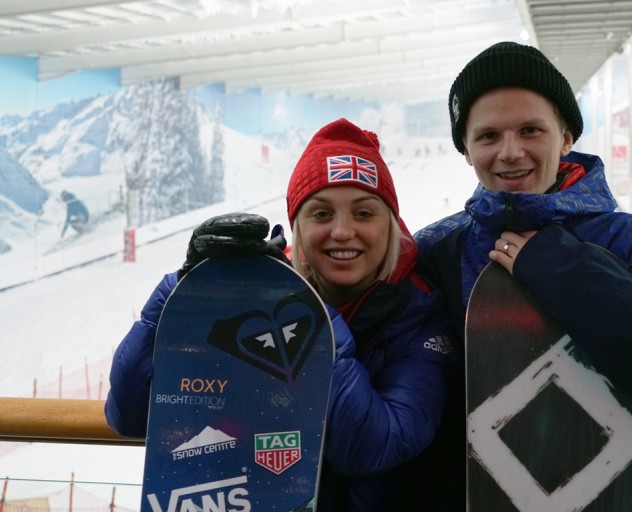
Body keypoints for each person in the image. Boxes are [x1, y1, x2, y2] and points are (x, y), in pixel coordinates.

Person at [414, 41, 632, 509]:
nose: (510, 152)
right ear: (465, 149)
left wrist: (566, 270)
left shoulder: (627, 242)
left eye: (531, 130)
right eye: (488, 136)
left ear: (566, 137)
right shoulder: (436, 250)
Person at [105, 118, 454, 511]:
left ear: (391, 226)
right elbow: (129, 415)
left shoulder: (419, 318)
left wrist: (310, 323)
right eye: (321, 214)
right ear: (298, 229)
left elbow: (373, 446)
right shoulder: (261, 303)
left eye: (364, 213)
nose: (342, 231)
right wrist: (184, 294)